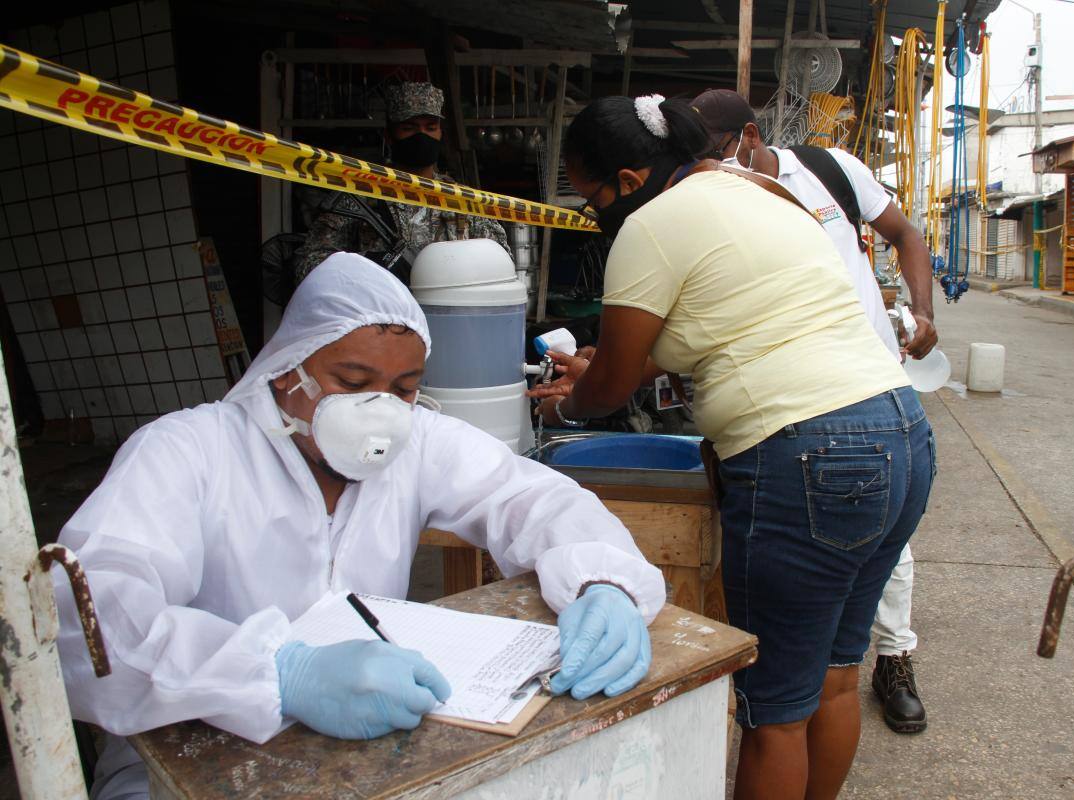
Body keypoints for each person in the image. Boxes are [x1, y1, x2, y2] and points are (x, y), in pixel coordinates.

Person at [54, 252, 665, 800]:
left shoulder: (418, 443)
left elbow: (530, 498)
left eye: (403, 389)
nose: (378, 410)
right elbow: (88, 621)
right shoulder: (188, 451)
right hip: (184, 763)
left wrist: (602, 580)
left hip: (357, 757)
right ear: (287, 368)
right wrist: (277, 673)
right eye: (351, 383)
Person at [529, 94, 935, 800]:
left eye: (589, 193)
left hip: (808, 456)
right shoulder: (765, 191)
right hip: (900, 432)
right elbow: (728, 322)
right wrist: (604, 363)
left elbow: (613, 388)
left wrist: (568, 401)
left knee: (774, 712)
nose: (589, 210)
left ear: (629, 181)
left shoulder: (650, 225)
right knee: (836, 679)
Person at [694, 87, 937, 735]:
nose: (710, 165)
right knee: (820, 562)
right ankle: (822, 672)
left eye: (716, 150)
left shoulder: (829, 170)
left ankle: (895, 659)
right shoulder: (715, 198)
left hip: (875, 384)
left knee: (889, 545)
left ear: (749, 135)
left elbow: (905, 234)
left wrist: (925, 311)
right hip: (794, 399)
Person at [294, 82, 510, 282]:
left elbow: (502, 264)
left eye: (430, 127)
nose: (421, 136)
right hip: (382, 318)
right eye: (409, 128)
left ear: (440, 133)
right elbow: (307, 267)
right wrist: (367, 265)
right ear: (389, 135)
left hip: (448, 317)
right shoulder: (361, 197)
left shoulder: (462, 200)